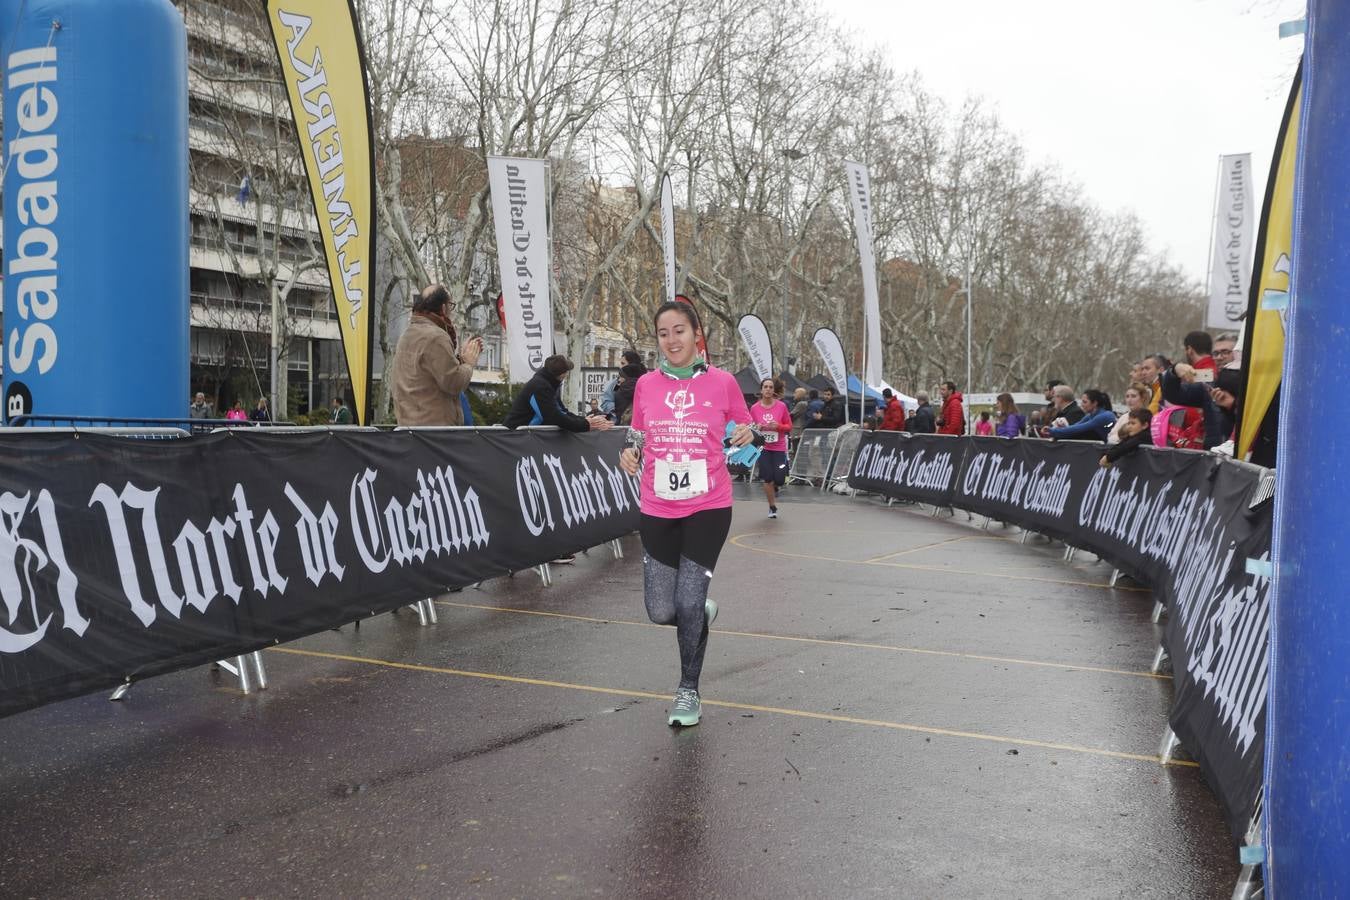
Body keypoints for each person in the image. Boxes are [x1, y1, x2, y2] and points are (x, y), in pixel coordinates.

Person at [618, 300, 758, 727]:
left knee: (687, 597)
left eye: (679, 331)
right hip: (657, 504)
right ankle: (697, 608)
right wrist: (630, 450)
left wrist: (747, 432)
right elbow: (637, 431)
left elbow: (746, 430)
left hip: (708, 505)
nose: (671, 340)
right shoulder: (645, 385)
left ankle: (687, 690)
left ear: (697, 334)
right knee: (662, 610)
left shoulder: (723, 382)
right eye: (663, 333)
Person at [391, 283, 484, 426]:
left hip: (410, 429)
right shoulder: (436, 336)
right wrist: (469, 363)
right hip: (435, 433)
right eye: (451, 305)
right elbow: (453, 383)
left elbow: (431, 375)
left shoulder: (407, 334)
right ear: (443, 308)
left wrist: (461, 359)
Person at [503, 355, 611, 433]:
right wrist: (586, 425)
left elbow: (563, 412)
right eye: (566, 371)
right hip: (515, 436)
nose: (567, 374)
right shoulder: (540, 386)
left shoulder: (549, 384)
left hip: (526, 436)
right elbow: (554, 417)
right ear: (561, 375)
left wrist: (585, 420)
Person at [749, 377, 792, 518]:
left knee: (779, 479)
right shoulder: (754, 408)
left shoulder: (781, 406)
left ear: (774, 390)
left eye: (770, 387)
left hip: (779, 447)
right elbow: (749, 428)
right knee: (767, 478)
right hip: (764, 448)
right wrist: (757, 427)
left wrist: (778, 426)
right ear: (761, 390)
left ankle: (776, 486)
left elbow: (789, 426)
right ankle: (772, 507)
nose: (768, 389)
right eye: (765, 387)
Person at [1048, 389, 1115, 441]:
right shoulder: (1090, 415)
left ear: (1095, 403)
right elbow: (1076, 426)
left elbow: (1079, 429)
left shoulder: (1104, 416)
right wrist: (1058, 429)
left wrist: (1051, 431)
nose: (1081, 405)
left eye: (1085, 402)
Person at [612, 349, 647, 424]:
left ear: (632, 364)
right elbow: (611, 395)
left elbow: (612, 394)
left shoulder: (622, 383)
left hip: (623, 423)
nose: (620, 367)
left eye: (623, 363)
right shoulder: (647, 382)